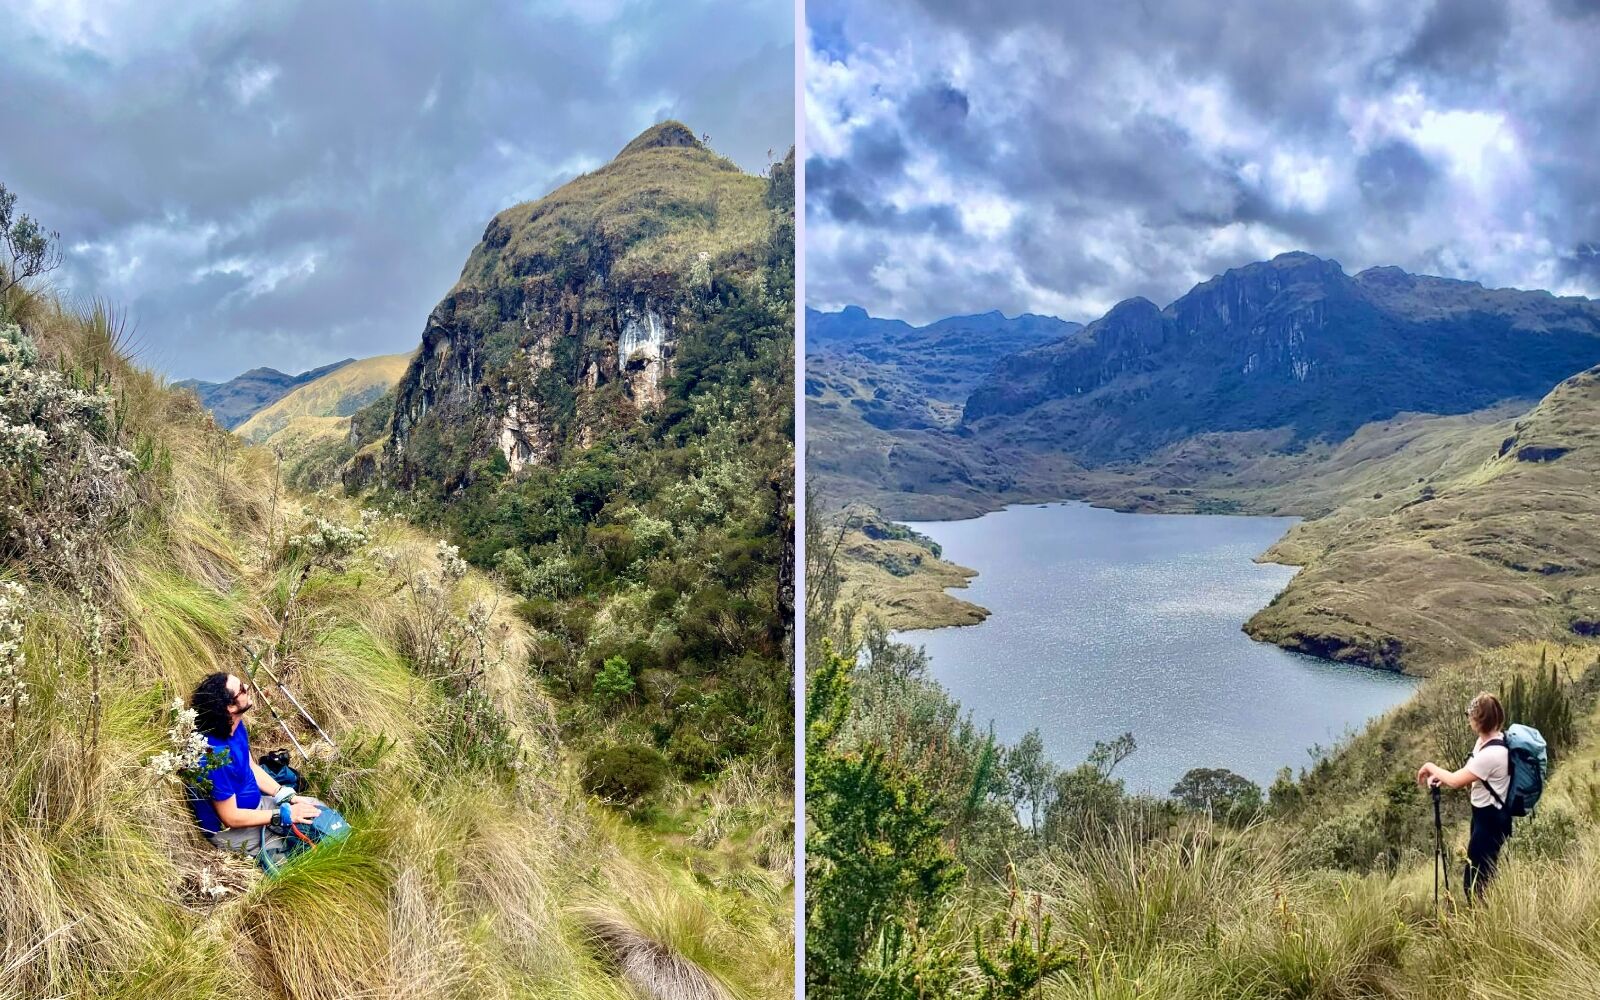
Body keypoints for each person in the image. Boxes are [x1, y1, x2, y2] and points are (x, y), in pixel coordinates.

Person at [187, 671, 322, 859]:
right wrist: (282, 815)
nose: (248, 688)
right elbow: (231, 817)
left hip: (258, 807)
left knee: (317, 811)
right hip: (232, 830)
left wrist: (283, 794)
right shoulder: (214, 757)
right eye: (242, 689)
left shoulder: (234, 726)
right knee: (299, 856)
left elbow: (250, 766)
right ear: (230, 707)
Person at [1416, 691, 1511, 900]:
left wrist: (1430, 767)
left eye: (1471, 715)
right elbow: (1468, 770)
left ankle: (1483, 920)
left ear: (1479, 721)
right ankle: (1487, 909)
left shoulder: (1491, 754)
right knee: (1482, 867)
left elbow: (1457, 781)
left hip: (1491, 820)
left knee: (1476, 877)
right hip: (1484, 816)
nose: (1469, 719)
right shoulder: (1487, 741)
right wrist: (1442, 777)